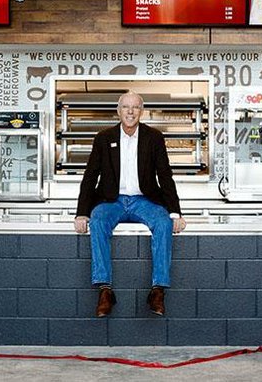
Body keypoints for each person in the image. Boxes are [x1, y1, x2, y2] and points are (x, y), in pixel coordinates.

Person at [74, 90, 186, 317]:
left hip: (143, 200)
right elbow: (90, 176)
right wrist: (81, 213)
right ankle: (105, 289)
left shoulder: (153, 138)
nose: (131, 111)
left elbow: (165, 175)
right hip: (111, 200)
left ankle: (158, 290)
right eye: (126, 107)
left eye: (135, 107)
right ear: (118, 111)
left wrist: (175, 212)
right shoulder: (103, 138)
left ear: (141, 111)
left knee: (164, 224)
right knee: (97, 223)